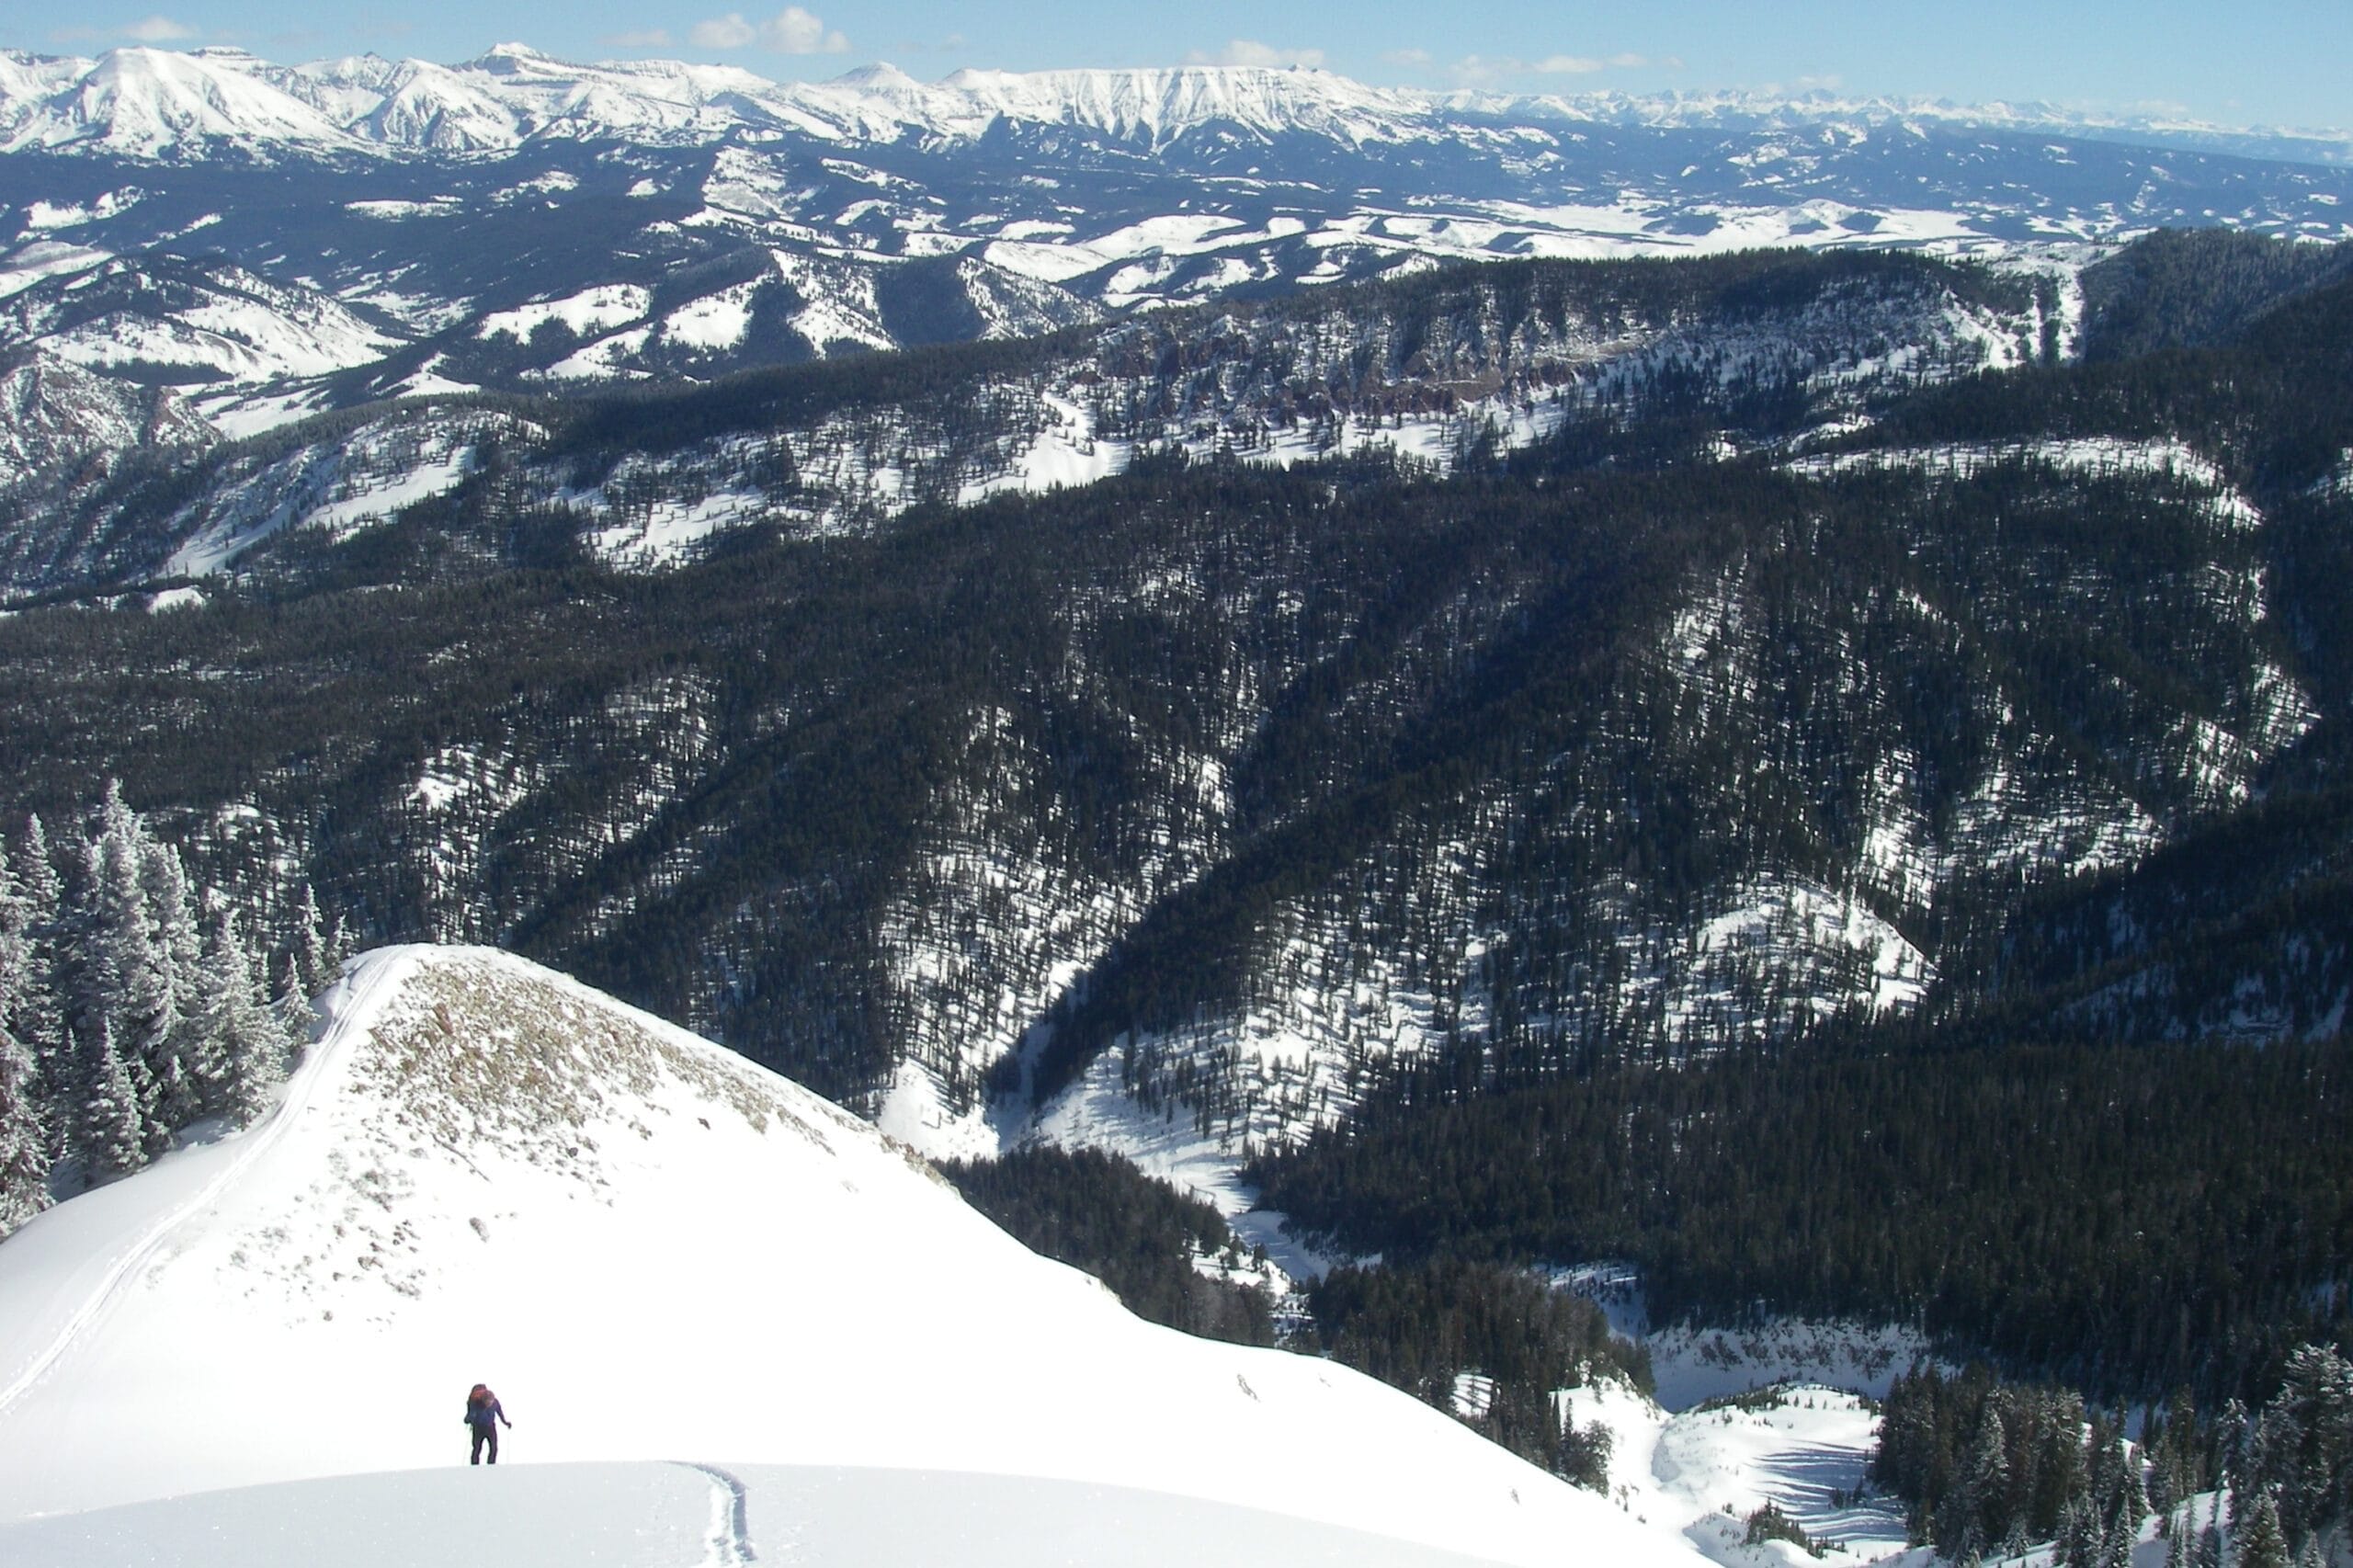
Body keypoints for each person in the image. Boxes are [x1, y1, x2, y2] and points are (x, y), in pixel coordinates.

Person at [464, 1382, 512, 1465]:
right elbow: (469, 1416)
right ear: (483, 1400)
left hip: (490, 1427)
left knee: (494, 1448)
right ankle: (474, 1467)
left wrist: (505, 1422)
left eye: (490, 1403)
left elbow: (500, 1413)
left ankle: (491, 1466)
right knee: (477, 1448)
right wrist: (469, 1419)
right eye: (487, 1403)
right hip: (478, 1428)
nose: (489, 1404)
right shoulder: (476, 1403)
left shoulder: (495, 1403)